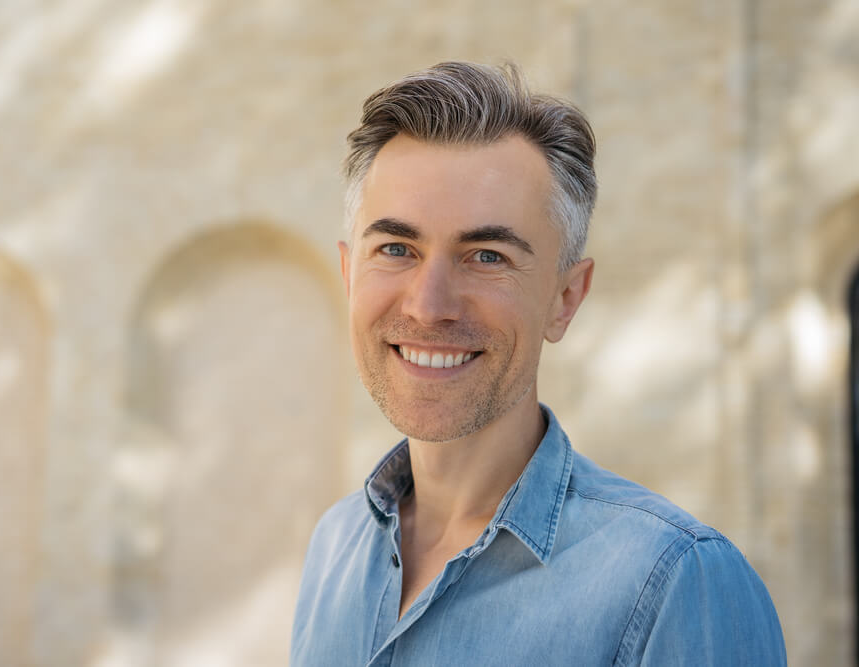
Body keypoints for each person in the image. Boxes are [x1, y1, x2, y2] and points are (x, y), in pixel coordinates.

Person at [290, 61, 786, 666]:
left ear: (565, 298)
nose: (428, 305)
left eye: (487, 256)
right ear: (348, 274)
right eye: (396, 249)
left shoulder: (677, 581)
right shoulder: (335, 547)